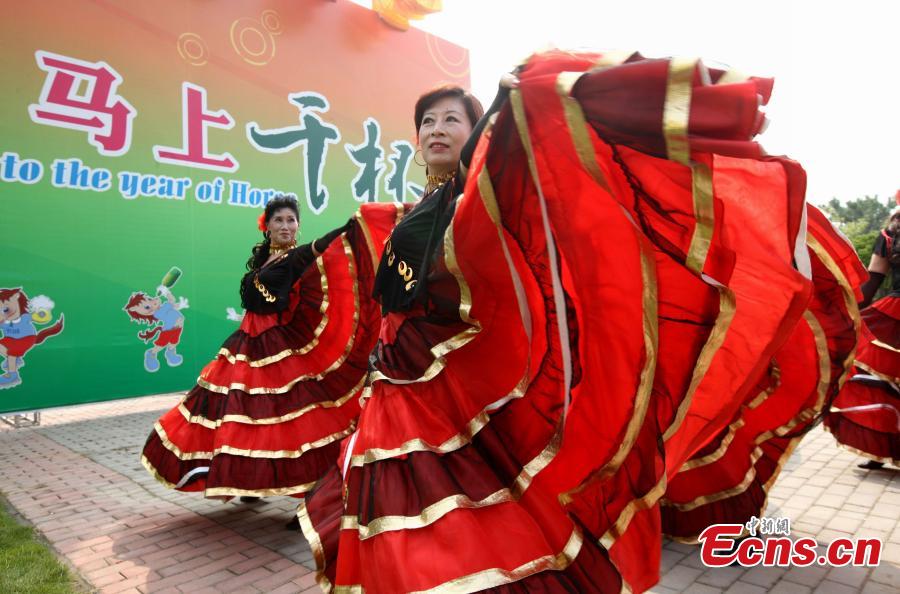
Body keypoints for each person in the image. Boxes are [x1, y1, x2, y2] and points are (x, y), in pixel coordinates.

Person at [297, 51, 862, 593]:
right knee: (396, 511)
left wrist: (505, 103)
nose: (437, 128)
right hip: (402, 378)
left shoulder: (479, 197)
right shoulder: (417, 208)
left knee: (457, 514)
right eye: (427, 121)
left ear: (476, 133)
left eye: (453, 118)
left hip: (457, 382)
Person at [140, 194, 386, 513]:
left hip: (278, 346)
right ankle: (250, 482)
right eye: (279, 220)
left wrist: (349, 227)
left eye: (291, 220)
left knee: (289, 418)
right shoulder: (261, 261)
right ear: (267, 226)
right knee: (241, 414)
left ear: (298, 226)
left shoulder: (297, 257)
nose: (286, 226)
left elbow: (323, 245)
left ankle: (313, 491)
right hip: (246, 342)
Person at [824, 202, 900, 470]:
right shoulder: (890, 235)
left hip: (893, 314)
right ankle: (883, 448)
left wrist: (842, 311)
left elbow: (870, 286)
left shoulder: (891, 233)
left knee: (884, 382)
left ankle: (880, 448)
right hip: (893, 314)